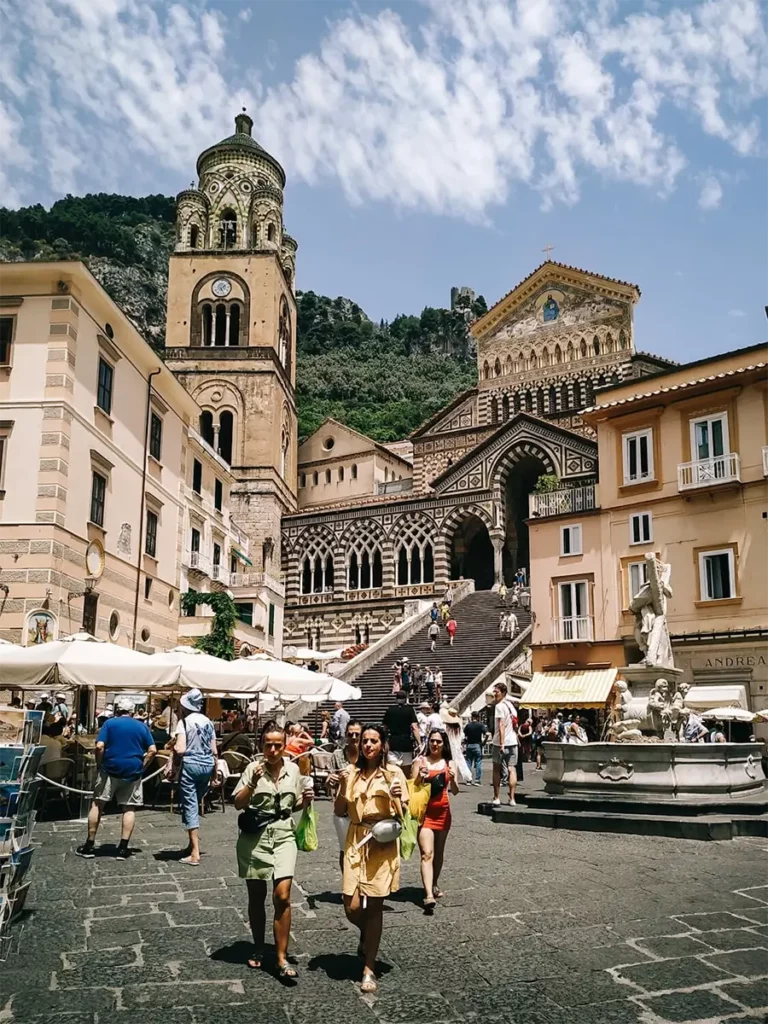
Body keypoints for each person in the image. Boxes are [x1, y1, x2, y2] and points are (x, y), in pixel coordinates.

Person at [234, 720, 313, 980]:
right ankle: (258, 946)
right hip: (255, 839)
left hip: (283, 836)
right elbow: (238, 803)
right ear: (262, 746)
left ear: (284, 746)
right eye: (268, 745)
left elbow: (293, 805)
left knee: (282, 895)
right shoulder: (251, 769)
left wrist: (306, 801)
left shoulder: (293, 770)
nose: (273, 750)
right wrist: (253, 783)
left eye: (278, 745)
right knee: (257, 897)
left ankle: (280, 957)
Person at [334, 724, 408, 993]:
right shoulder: (351, 773)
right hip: (355, 839)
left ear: (382, 745)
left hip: (382, 842)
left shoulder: (394, 774)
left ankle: (369, 967)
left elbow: (403, 817)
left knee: (375, 906)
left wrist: (398, 798)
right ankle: (368, 935)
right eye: (364, 740)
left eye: (373, 741)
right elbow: (340, 810)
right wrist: (342, 786)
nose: (367, 745)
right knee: (351, 906)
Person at [76, 697, 156, 860]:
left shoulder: (109, 724)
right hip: (133, 769)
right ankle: (123, 847)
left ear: (117, 710)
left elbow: (99, 746)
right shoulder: (142, 726)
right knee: (129, 808)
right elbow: (153, 750)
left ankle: (89, 845)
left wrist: (100, 763)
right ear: (133, 712)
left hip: (110, 768)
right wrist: (143, 766)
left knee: (98, 803)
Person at [167, 689, 217, 865]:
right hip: (207, 766)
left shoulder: (184, 723)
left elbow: (180, 748)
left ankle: (195, 853)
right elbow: (214, 751)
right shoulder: (209, 722)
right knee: (194, 803)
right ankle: (191, 845)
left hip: (191, 765)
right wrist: (215, 773)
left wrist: (173, 751)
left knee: (190, 806)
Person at [414, 729, 458, 912]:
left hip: (443, 814)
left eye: (438, 742)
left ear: (444, 744)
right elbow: (412, 786)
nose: (435, 744)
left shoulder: (449, 763)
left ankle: (434, 883)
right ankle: (428, 895)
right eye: (432, 741)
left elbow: (455, 791)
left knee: (438, 853)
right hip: (425, 814)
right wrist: (419, 777)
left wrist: (454, 779)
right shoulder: (420, 761)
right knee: (427, 853)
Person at [329, 719, 362, 870]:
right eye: (351, 734)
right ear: (346, 735)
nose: (354, 737)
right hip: (343, 808)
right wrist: (330, 780)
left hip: (363, 807)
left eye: (357, 734)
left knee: (364, 847)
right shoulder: (337, 755)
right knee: (345, 848)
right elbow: (330, 781)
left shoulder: (367, 753)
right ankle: (347, 885)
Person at [491, 681, 518, 807]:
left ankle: (496, 797)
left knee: (496, 769)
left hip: (500, 742)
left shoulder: (499, 706)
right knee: (512, 768)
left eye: (497, 692)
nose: (494, 694)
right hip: (513, 741)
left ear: (503, 693)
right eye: (494, 691)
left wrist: (501, 744)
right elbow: (515, 724)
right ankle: (512, 799)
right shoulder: (511, 706)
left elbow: (501, 724)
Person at [382, 690, 420, 777]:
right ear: (405, 699)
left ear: (396, 699)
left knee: (393, 771)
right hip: (406, 743)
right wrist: (419, 743)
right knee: (406, 772)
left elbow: (385, 728)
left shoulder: (390, 710)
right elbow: (414, 727)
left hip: (393, 742)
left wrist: (385, 741)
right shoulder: (410, 710)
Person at [463, 712, 489, 786]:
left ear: (472, 717)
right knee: (478, 763)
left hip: (469, 745)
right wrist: (484, 741)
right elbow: (487, 734)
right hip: (477, 745)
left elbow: (465, 736)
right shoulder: (480, 725)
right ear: (478, 717)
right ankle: (477, 780)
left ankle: (468, 780)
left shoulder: (468, 726)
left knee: (468, 762)